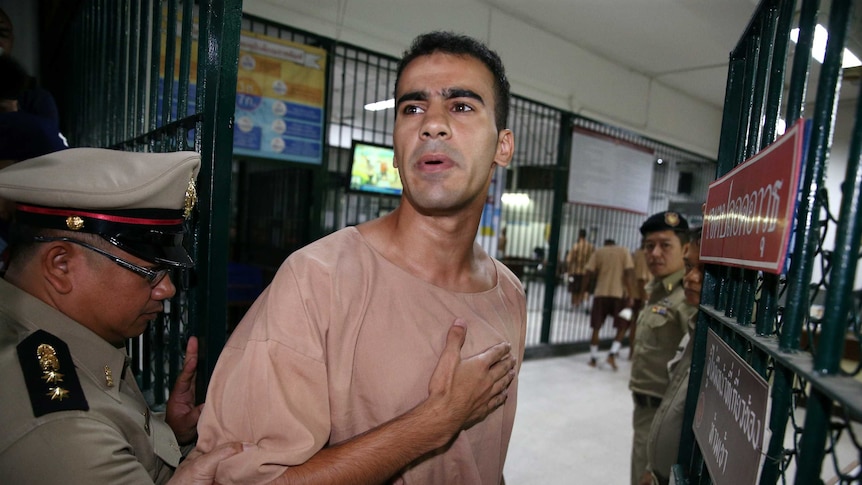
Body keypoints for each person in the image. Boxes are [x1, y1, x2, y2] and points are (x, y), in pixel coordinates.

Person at [196, 31, 526, 484]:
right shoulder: (316, 281)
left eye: (462, 106)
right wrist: (434, 421)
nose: (432, 124)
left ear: (502, 146)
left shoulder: (508, 293)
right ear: (396, 146)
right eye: (413, 108)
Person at [0, 148, 244, 483]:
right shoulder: (62, 430)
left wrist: (168, 432)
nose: (167, 290)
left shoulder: (60, 337)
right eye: (150, 273)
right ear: (61, 265)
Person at [628, 211, 697, 485]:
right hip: (645, 411)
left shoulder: (686, 296)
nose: (655, 253)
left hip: (665, 417)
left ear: (685, 249)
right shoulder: (659, 290)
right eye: (649, 246)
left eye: (665, 245)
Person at [583, 238, 637, 370]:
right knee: (622, 326)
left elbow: (588, 272)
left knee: (596, 327)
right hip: (618, 294)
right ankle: (612, 354)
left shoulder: (599, 252)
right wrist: (631, 295)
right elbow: (628, 274)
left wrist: (584, 290)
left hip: (601, 293)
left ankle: (593, 358)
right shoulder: (624, 252)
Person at [627, 239, 651, 358]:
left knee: (634, 323)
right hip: (642, 295)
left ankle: (632, 351)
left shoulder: (635, 253)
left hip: (635, 293)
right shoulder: (643, 255)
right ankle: (633, 352)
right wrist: (644, 299)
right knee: (639, 324)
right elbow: (642, 278)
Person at [566, 228, 594, 308]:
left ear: (579, 235)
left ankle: (575, 303)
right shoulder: (590, 247)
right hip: (587, 272)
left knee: (575, 289)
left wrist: (569, 269)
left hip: (576, 271)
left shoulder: (576, 246)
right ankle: (582, 302)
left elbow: (569, 259)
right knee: (584, 288)